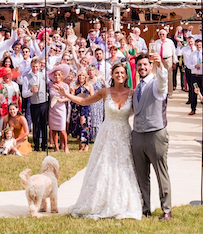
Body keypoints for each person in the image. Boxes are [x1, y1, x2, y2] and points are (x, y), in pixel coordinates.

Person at [57, 59, 142, 219]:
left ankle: (122, 202)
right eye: (117, 72)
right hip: (107, 134)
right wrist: (66, 95)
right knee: (103, 166)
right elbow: (83, 101)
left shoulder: (131, 93)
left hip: (124, 134)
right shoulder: (105, 92)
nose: (119, 75)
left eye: (122, 73)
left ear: (126, 76)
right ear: (112, 74)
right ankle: (98, 202)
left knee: (123, 166)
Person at [131, 50, 172, 220]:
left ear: (151, 66)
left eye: (145, 64)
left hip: (156, 134)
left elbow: (163, 81)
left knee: (161, 173)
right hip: (138, 135)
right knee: (141, 175)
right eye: (139, 65)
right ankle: (145, 208)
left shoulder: (156, 84)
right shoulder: (136, 89)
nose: (142, 67)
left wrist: (161, 65)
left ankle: (167, 210)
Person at [21, 58, 49, 151]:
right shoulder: (26, 78)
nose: (35, 68)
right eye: (33, 66)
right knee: (36, 125)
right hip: (34, 103)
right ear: (31, 66)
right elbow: (24, 94)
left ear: (40, 66)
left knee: (44, 125)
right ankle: (36, 145)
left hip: (44, 102)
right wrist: (30, 91)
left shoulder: (44, 75)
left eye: (36, 66)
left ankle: (44, 145)